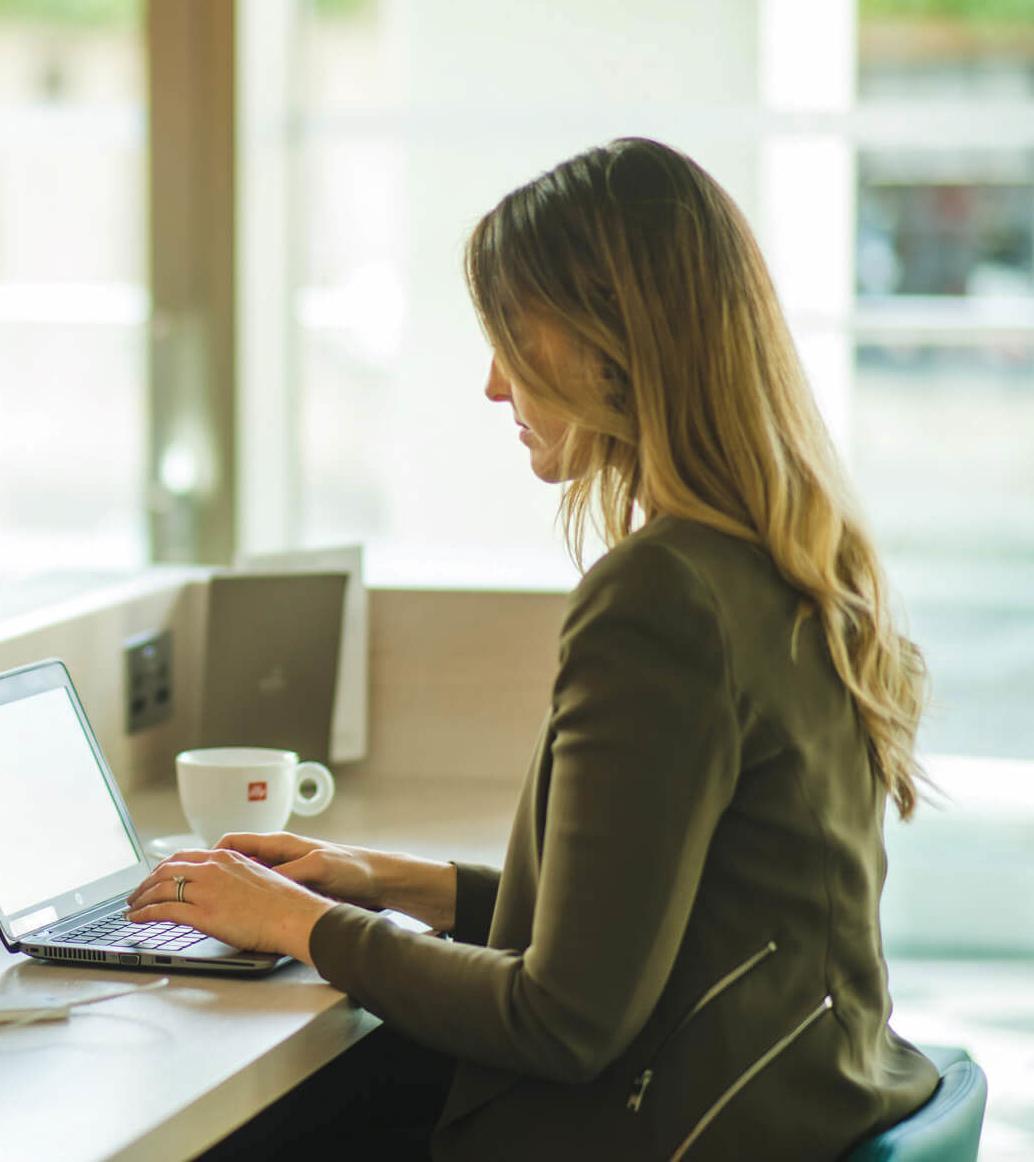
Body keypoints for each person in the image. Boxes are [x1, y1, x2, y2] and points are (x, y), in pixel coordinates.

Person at [128, 139, 939, 1160]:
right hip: (791, 1099)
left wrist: (296, 924)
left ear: (609, 342)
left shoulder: (661, 595)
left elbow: (562, 1017)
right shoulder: (795, 562)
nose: (491, 386)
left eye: (512, 336)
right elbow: (649, 922)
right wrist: (377, 878)